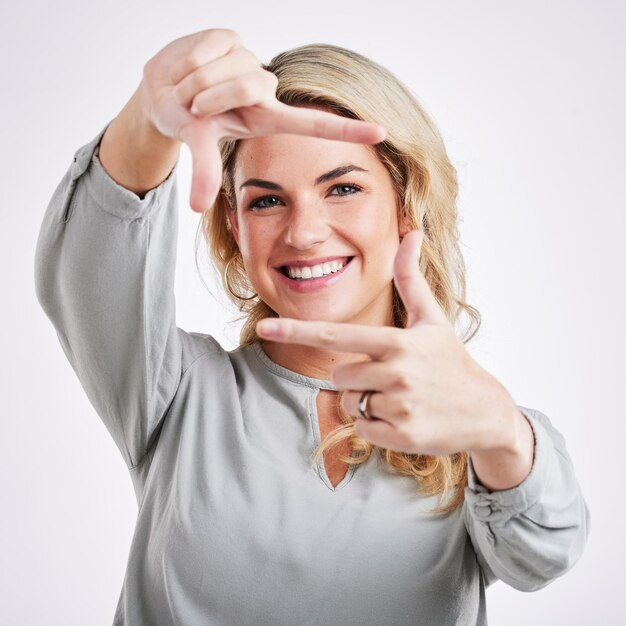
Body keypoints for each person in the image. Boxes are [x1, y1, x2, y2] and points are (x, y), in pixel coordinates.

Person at [35, 28, 588, 626]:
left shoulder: (464, 421)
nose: (303, 233)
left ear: (406, 204)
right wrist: (149, 117)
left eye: (343, 188)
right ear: (235, 222)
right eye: (266, 200)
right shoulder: (175, 393)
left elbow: (544, 555)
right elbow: (92, 256)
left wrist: (497, 429)